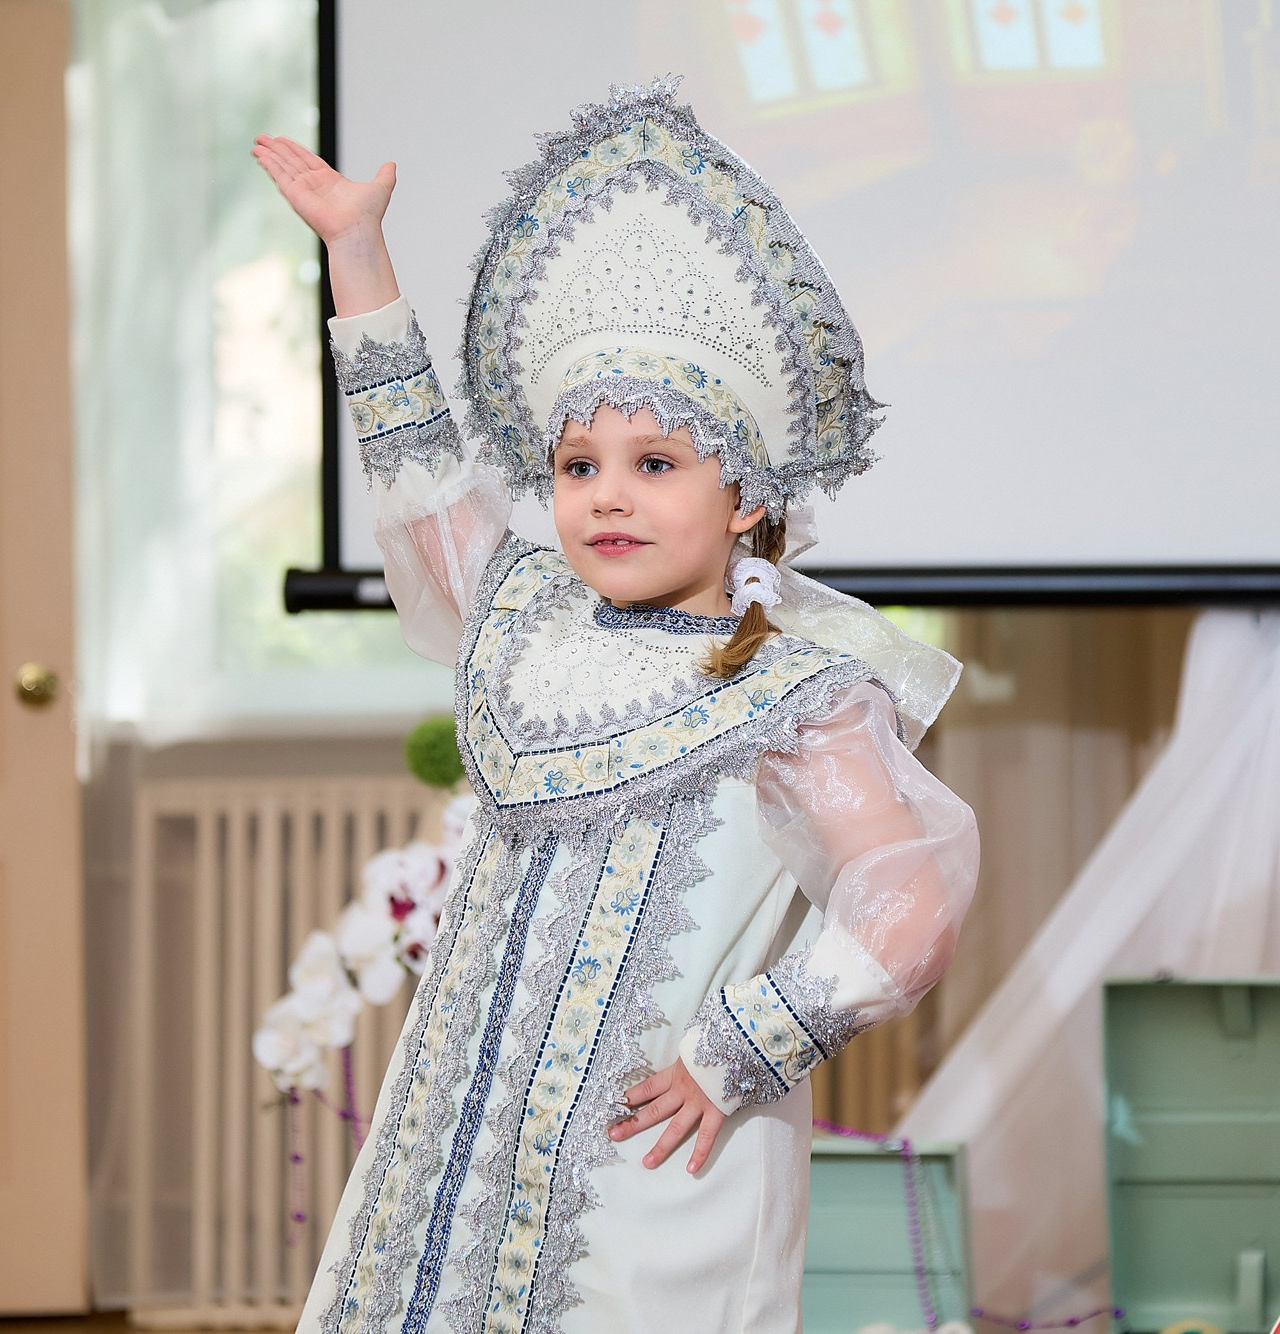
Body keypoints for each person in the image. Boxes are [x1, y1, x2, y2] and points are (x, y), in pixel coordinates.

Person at [255, 77, 978, 1334]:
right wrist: (358, 259)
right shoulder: (527, 614)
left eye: (655, 464)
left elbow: (910, 890)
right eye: (578, 465)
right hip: (458, 1148)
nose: (606, 496)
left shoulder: (789, 686)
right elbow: (422, 486)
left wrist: (742, 1045)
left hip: (652, 1161)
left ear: (744, 493)